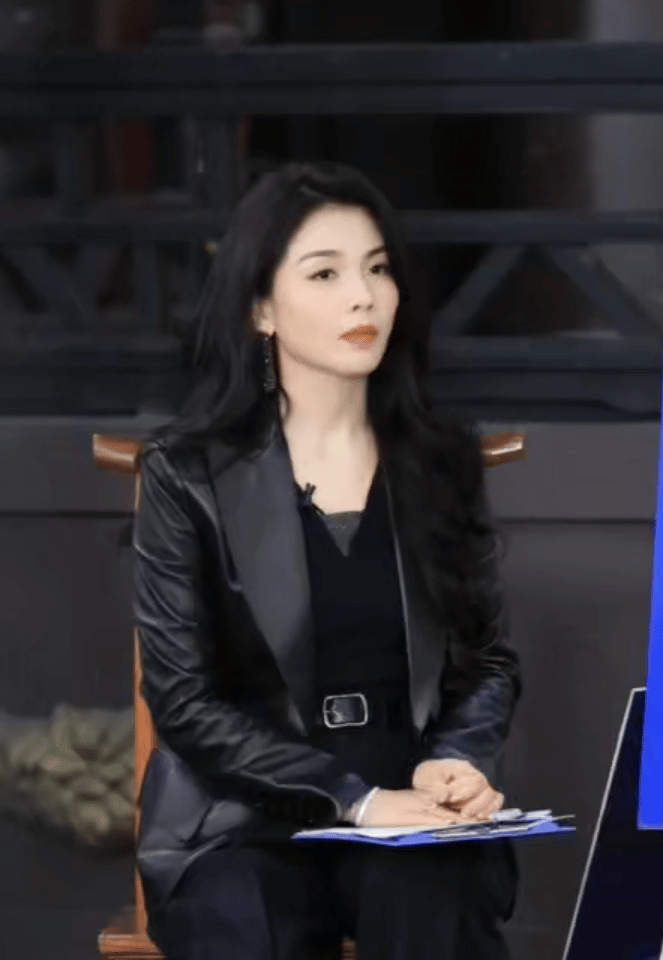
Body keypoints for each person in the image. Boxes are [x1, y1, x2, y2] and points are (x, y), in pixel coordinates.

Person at [132, 160, 521, 960]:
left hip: (408, 808)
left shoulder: (439, 460)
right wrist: (353, 798)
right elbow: (184, 702)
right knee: (248, 919)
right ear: (261, 308)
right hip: (240, 822)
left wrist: (453, 763)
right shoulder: (188, 473)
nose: (363, 297)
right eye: (326, 273)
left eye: (378, 269)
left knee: (428, 894)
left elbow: (485, 662)